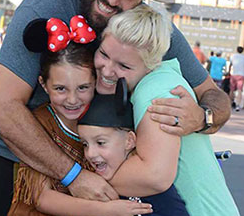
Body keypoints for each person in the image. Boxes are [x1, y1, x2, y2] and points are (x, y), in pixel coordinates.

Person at [0, 0, 231, 216]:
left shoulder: (148, 30)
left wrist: (202, 117)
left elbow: (214, 96)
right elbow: (2, 109)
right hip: (14, 163)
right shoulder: (44, 6)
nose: (114, 0)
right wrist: (73, 176)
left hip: (95, 169)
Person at [95, 5, 240, 215]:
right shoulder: (151, 82)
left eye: (124, 66)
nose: (107, 70)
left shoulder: (158, 90)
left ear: (151, 65)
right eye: (103, 54)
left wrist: (80, 177)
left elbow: (154, 176)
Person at [7, 16, 152, 216]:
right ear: (43, 84)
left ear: (96, 81)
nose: (72, 99)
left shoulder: (107, 115)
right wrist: (104, 210)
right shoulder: (38, 125)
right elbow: (41, 198)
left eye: (83, 87)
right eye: (60, 89)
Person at [78, 88, 189, 216]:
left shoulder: (153, 189)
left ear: (129, 141)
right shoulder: (92, 186)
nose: (90, 153)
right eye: (85, 144)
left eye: (100, 143)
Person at [229, 46, 244, 111]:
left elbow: (230, 65)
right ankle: (237, 105)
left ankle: (230, 103)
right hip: (241, 75)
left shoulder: (233, 56)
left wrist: (228, 72)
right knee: (239, 90)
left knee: (231, 90)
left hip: (233, 74)